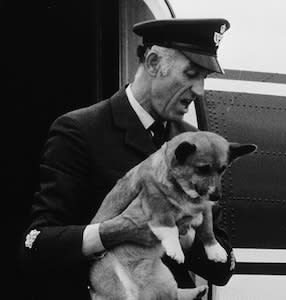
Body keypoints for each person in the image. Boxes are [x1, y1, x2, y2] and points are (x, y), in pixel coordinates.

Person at [19, 18, 235, 299]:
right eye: (192, 73)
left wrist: (187, 235)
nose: (199, 90)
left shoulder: (196, 143)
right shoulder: (80, 131)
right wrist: (114, 231)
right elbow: (36, 246)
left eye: (204, 78)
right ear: (155, 62)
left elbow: (223, 268)